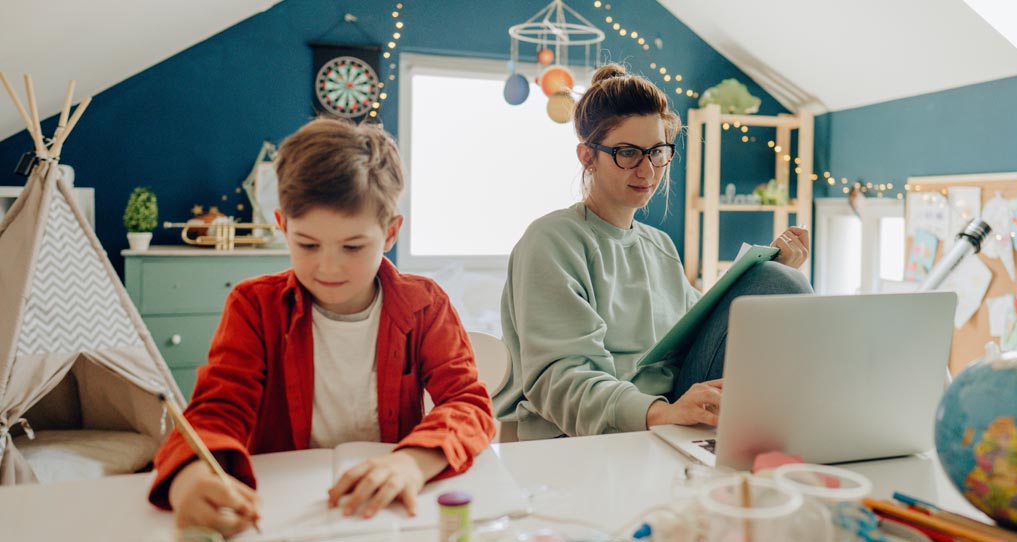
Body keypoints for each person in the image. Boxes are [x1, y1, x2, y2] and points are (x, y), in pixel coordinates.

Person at [147, 118, 495, 536]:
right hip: (281, 514)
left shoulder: (424, 304)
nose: (328, 267)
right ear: (282, 226)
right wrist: (191, 479)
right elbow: (214, 414)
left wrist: (411, 463)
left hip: (382, 512)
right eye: (308, 244)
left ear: (389, 232)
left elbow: (467, 404)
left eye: (353, 246)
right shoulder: (254, 307)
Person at [493, 63, 812, 441]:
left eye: (657, 151)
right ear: (587, 156)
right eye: (627, 153)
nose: (647, 170)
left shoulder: (659, 245)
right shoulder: (552, 240)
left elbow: (695, 331)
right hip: (582, 432)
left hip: (666, 411)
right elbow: (561, 380)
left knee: (776, 281)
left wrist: (765, 275)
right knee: (775, 283)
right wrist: (661, 412)